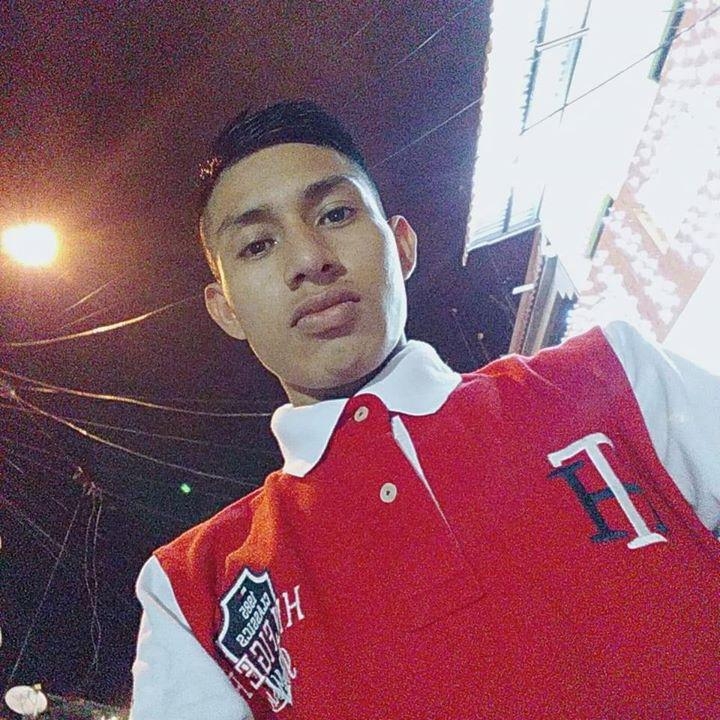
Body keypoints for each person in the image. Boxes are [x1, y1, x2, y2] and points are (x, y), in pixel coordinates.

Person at [129, 100, 720, 720]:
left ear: (402, 244)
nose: (308, 259)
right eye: (257, 245)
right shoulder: (190, 592)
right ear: (225, 309)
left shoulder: (613, 375)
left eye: (335, 213)